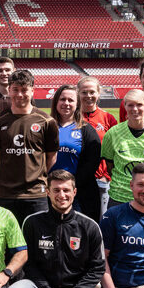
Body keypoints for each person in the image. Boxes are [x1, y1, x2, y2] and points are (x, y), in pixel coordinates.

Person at [8, 169, 115, 288]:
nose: (62, 195)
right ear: (48, 192)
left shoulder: (89, 226)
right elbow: (29, 263)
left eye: (66, 190)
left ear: (75, 192)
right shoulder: (33, 222)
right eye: (56, 190)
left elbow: (97, 268)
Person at [0, 69, 59, 225]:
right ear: (9, 90)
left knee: (37, 237)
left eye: (24, 90)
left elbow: (51, 157)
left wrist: (35, 175)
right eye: (15, 89)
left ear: (32, 91)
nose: (20, 94)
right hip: (6, 193)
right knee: (6, 238)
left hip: (36, 194)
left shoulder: (47, 121)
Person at [100, 89, 144, 208]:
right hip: (119, 197)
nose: (135, 109)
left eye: (139, 105)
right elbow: (110, 167)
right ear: (125, 107)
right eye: (130, 105)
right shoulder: (112, 134)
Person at [50, 85, 102, 221]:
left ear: (77, 104)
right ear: (56, 102)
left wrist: (71, 184)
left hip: (77, 192)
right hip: (49, 191)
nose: (66, 103)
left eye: (71, 100)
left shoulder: (86, 130)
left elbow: (92, 162)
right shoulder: (46, 126)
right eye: (62, 99)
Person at [78, 76, 117, 218]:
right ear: (78, 93)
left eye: (92, 92)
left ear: (98, 93)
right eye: (84, 92)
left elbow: (115, 150)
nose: (88, 96)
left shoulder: (108, 118)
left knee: (102, 219)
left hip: (101, 179)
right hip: (77, 178)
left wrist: (107, 175)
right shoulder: (71, 117)